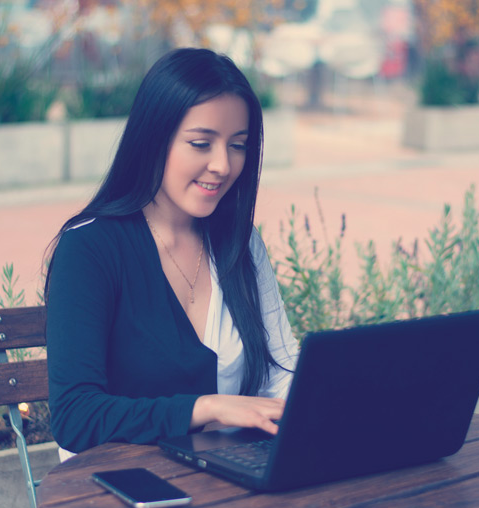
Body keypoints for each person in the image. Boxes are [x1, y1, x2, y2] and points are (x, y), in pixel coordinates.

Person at [45, 48, 299, 458]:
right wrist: (207, 407)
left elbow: (281, 368)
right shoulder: (89, 248)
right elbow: (76, 417)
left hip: (222, 480)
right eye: (201, 143)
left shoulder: (239, 240)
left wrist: (323, 404)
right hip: (118, 490)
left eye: (238, 145)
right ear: (153, 139)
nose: (223, 165)